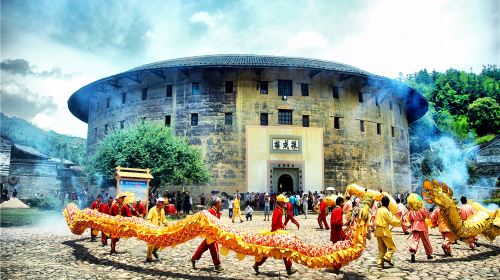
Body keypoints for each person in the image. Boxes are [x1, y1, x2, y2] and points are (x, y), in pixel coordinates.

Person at [252, 194, 297, 276]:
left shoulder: (279, 210)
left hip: (278, 234)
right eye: (283, 202)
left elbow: (278, 222)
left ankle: (288, 268)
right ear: (280, 203)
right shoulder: (277, 211)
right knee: (276, 251)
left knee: (275, 251)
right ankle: (288, 269)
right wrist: (279, 230)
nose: (285, 204)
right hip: (275, 235)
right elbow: (273, 223)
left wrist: (282, 225)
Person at [191, 198, 224, 272]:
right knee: (214, 249)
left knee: (203, 247)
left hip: (214, 234)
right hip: (210, 234)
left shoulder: (217, 212)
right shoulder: (210, 211)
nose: (221, 204)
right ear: (217, 203)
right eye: (220, 202)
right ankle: (217, 265)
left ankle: (194, 258)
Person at [374, 196, 401, 269]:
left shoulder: (378, 210)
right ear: (388, 203)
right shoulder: (386, 211)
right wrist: (400, 221)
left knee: (381, 249)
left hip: (378, 231)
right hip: (384, 231)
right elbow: (392, 221)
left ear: (382, 202)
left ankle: (379, 264)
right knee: (392, 248)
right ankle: (387, 257)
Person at [146, 197, 168, 262]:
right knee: (151, 243)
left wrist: (166, 225)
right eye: (161, 202)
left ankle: (154, 251)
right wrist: (151, 226)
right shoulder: (152, 210)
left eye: (163, 202)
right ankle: (148, 257)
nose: (162, 204)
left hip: (158, 229)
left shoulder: (162, 210)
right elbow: (148, 219)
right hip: (152, 229)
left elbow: (164, 219)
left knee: (160, 241)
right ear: (157, 203)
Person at [330, 196, 346, 273]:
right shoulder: (339, 210)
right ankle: (336, 266)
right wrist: (342, 223)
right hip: (337, 233)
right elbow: (336, 222)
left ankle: (335, 265)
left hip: (334, 232)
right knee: (338, 250)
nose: (344, 204)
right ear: (340, 203)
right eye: (343, 202)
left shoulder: (334, 210)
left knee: (336, 250)